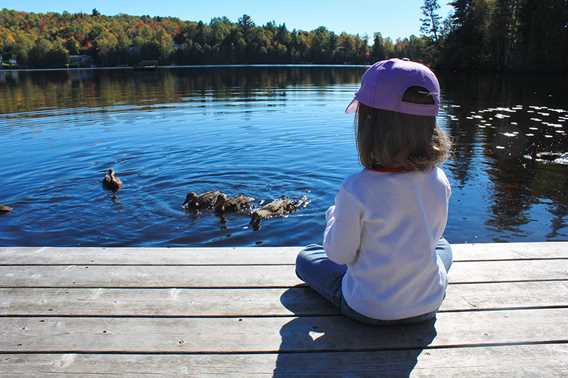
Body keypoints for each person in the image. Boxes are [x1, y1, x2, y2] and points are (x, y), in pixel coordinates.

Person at [295, 58, 453, 325]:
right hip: (428, 304)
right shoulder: (439, 179)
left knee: (307, 258)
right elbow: (434, 234)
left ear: (369, 129)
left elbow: (339, 255)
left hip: (367, 308)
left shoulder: (356, 189)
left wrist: (333, 217)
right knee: (442, 246)